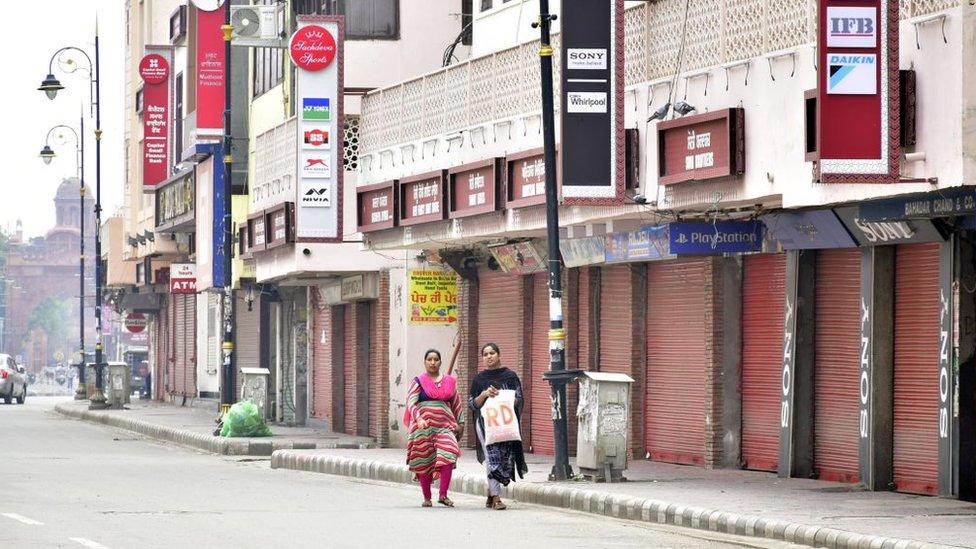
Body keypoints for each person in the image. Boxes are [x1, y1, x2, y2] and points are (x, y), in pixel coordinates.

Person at [468, 342, 528, 511]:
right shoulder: (479, 379)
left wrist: (503, 396)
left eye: (492, 353)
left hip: (505, 424)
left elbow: (519, 398)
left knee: (505, 458)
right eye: (485, 354)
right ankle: (496, 497)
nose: (489, 357)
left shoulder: (510, 376)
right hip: (485, 424)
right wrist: (485, 394)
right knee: (491, 455)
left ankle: (490, 493)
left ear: (499, 355)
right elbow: (473, 404)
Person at [404, 349, 465, 508]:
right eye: (429, 359)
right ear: (425, 362)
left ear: (440, 362)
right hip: (422, 427)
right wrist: (419, 418)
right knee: (424, 459)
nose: (433, 362)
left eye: (436, 359)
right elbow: (411, 402)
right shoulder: (418, 381)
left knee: (449, 453)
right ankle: (427, 497)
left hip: (445, 426)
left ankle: (443, 495)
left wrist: (461, 423)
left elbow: (456, 404)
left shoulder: (449, 381)